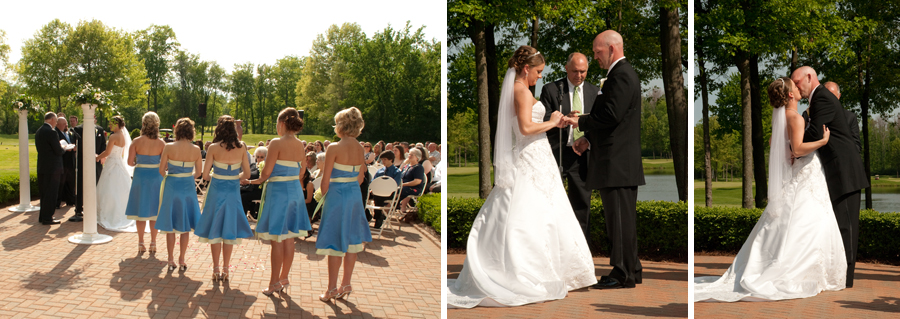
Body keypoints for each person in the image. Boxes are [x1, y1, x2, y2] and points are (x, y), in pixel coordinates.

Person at [447, 45, 596, 308]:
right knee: (533, 213)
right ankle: (534, 271)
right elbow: (526, 128)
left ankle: (549, 269)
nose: (540, 76)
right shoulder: (521, 91)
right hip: (530, 155)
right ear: (526, 68)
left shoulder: (518, 90)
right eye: (538, 72)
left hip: (536, 157)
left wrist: (554, 120)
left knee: (541, 212)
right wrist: (553, 121)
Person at [694, 77, 847, 301]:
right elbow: (797, 149)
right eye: (795, 86)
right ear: (791, 95)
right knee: (811, 222)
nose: (798, 87)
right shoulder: (794, 116)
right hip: (806, 174)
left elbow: (776, 145)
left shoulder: (783, 117)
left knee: (803, 222)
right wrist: (822, 142)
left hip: (803, 175)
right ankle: (804, 271)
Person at [569, 31, 646, 289]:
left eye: (597, 51)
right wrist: (588, 138)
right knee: (622, 218)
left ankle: (622, 273)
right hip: (616, 160)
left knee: (620, 220)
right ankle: (631, 268)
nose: (595, 56)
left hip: (618, 162)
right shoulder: (618, 75)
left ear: (612, 49)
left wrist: (579, 121)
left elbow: (611, 115)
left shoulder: (622, 75)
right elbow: (615, 119)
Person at [791, 66, 869, 288]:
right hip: (838, 171)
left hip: (845, 173)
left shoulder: (822, 98)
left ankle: (847, 278)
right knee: (840, 224)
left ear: (809, 77)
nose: (797, 88)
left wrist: (791, 141)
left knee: (847, 227)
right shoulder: (819, 99)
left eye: (798, 83)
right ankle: (840, 274)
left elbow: (816, 132)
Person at [244, 107, 311, 296]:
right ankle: (284, 277)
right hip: (295, 193)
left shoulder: (276, 143)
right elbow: (301, 173)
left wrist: (250, 181)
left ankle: (274, 282)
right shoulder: (300, 145)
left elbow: (265, 173)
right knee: (289, 239)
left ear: (281, 123)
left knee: (276, 240)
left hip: (279, 194)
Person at [539, 52, 598, 238]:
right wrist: (564, 119)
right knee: (550, 204)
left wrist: (587, 139)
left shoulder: (595, 92)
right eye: (575, 71)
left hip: (582, 156)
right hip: (556, 154)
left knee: (582, 205)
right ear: (566, 68)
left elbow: (600, 123)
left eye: (583, 71)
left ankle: (582, 254)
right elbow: (543, 119)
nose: (579, 75)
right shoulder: (551, 89)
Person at [316, 107, 371, 302]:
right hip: (354, 196)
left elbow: (325, 180)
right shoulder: (360, 148)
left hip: (337, 196)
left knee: (334, 242)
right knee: (352, 240)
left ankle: (331, 288)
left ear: (340, 126)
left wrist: (323, 195)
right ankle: (346, 283)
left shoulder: (334, 148)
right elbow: (361, 177)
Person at [195, 115, 254, 282]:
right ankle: (226, 269)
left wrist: (218, 175)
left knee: (215, 228)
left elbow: (205, 176)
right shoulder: (241, 147)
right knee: (229, 229)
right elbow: (247, 174)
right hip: (233, 191)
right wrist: (235, 176)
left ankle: (215, 268)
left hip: (216, 190)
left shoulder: (213, 147)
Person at [156, 118, 203, 271]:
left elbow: (161, 171)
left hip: (172, 185)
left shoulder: (169, 147)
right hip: (188, 186)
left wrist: (171, 176)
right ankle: (182, 258)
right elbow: (199, 173)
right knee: (185, 225)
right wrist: (187, 176)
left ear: (177, 130)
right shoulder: (196, 149)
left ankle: (170, 259)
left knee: (171, 224)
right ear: (191, 131)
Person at [125, 112, 166, 253]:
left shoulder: (136, 141)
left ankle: (141, 242)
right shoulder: (161, 143)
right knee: (154, 210)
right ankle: (153, 242)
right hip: (156, 177)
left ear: (143, 124)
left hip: (141, 177)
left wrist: (140, 160)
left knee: (140, 210)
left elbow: (130, 163)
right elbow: (165, 166)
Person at [95, 116, 137, 232]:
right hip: (118, 162)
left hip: (112, 163)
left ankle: (110, 213)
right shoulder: (122, 136)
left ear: (116, 125)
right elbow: (122, 152)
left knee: (109, 189)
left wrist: (97, 157)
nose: (109, 126)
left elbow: (108, 152)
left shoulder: (113, 136)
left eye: (111, 124)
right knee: (120, 189)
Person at [72, 117, 107, 222]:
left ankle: (95, 207)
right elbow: (77, 146)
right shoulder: (78, 129)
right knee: (81, 185)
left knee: (97, 183)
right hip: (83, 161)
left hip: (97, 162)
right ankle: (79, 208)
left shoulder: (99, 129)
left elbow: (103, 145)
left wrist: (101, 156)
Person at [35, 112, 65, 225]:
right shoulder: (51, 132)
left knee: (44, 193)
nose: (56, 123)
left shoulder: (39, 131)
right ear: (52, 119)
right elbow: (58, 150)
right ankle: (48, 218)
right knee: (51, 193)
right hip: (53, 168)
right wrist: (64, 148)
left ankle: (42, 216)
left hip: (42, 166)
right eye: (56, 121)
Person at [367, 150, 400, 228]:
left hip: (389, 193)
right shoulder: (380, 171)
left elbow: (395, 185)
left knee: (379, 197)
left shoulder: (396, 172)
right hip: (376, 192)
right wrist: (372, 188)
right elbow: (373, 181)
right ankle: (368, 215)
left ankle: (378, 217)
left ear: (391, 159)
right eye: (382, 159)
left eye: (385, 159)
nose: (383, 161)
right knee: (362, 196)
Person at [397, 148, 426, 216]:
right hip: (403, 187)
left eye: (411, 155)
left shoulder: (418, 167)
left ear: (417, 157)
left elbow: (417, 181)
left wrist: (403, 185)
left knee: (400, 190)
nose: (409, 156)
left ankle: (390, 206)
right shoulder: (406, 166)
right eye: (409, 154)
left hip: (414, 188)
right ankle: (389, 205)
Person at [56, 117, 77, 208]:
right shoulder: (56, 133)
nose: (66, 125)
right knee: (61, 183)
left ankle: (71, 200)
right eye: (64, 124)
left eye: (66, 123)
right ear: (58, 124)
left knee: (70, 181)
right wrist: (66, 148)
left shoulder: (69, 133)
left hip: (71, 160)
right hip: (63, 161)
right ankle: (57, 202)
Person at [240, 147, 265, 220]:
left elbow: (261, 180)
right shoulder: (253, 165)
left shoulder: (265, 167)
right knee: (236, 192)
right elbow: (245, 174)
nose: (259, 159)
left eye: (262, 157)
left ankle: (242, 218)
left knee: (243, 196)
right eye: (258, 157)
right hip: (249, 188)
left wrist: (248, 181)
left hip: (259, 190)